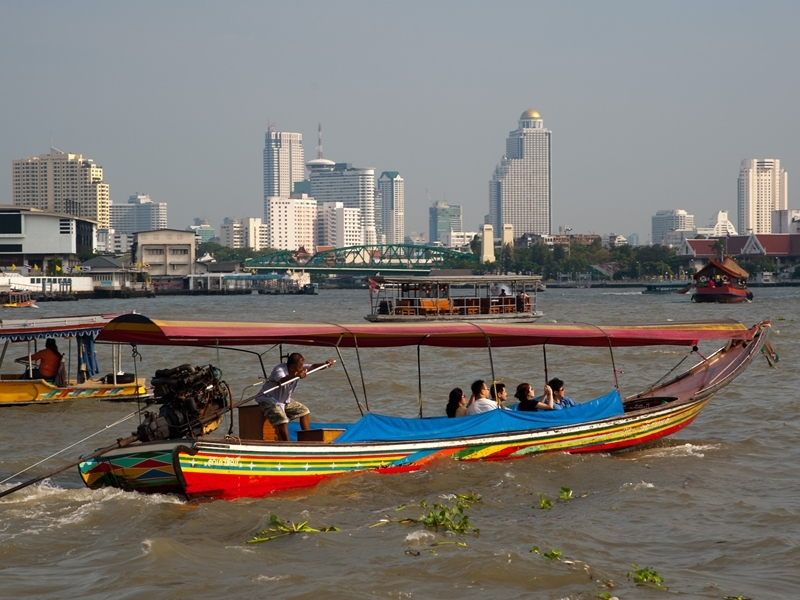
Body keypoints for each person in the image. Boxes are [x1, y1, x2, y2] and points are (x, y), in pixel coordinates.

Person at [257, 352, 335, 441]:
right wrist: (296, 375)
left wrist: (325, 364)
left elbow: (312, 367)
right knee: (283, 420)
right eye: (300, 367)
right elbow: (282, 381)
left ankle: (307, 439)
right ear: (292, 368)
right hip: (268, 399)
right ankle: (287, 445)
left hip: (284, 400)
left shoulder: (298, 368)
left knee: (304, 411)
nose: (302, 369)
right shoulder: (279, 370)